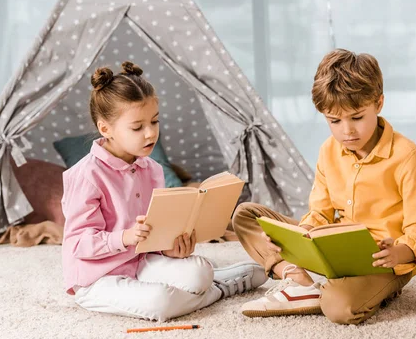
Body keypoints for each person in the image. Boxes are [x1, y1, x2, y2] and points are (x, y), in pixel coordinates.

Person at [232, 50, 416, 324]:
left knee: (339, 309)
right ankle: (297, 280)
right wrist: (298, 236)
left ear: (378, 103)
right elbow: (319, 213)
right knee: (246, 216)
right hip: (333, 250)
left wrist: (399, 252)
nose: (347, 131)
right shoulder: (329, 150)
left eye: (356, 117)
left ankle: (357, 290)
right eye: (334, 121)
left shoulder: (406, 156)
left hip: (382, 261)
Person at [61, 61, 266, 321]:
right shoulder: (86, 175)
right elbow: (78, 243)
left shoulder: (152, 169)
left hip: (141, 262)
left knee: (199, 269)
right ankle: (216, 291)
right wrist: (124, 237)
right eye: (137, 127)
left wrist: (170, 250)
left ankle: (209, 281)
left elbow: (153, 234)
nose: (150, 134)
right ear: (105, 129)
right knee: (160, 302)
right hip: (97, 278)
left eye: (154, 122)